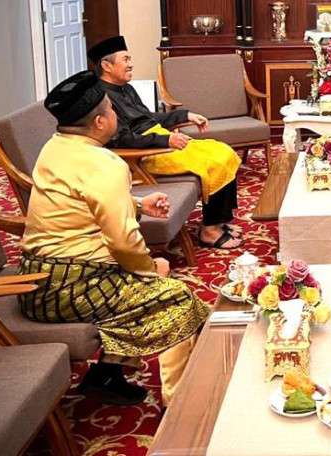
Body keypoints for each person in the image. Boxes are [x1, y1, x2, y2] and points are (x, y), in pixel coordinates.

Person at [19, 70, 210, 406]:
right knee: (177, 299)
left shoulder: (54, 147)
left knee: (154, 278)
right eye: (111, 109)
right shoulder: (105, 163)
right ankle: (179, 407)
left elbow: (78, 200)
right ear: (99, 122)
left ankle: (105, 376)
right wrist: (149, 271)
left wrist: (136, 204)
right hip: (70, 287)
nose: (115, 114)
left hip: (36, 280)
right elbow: (123, 241)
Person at [89, 35, 243, 250]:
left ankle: (220, 220)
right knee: (215, 162)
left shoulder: (126, 88)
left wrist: (185, 115)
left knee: (223, 150)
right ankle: (210, 231)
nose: (131, 64)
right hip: (148, 153)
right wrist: (166, 140)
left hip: (160, 141)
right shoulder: (102, 98)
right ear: (107, 66)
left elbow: (149, 118)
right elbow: (121, 139)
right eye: (125, 59)